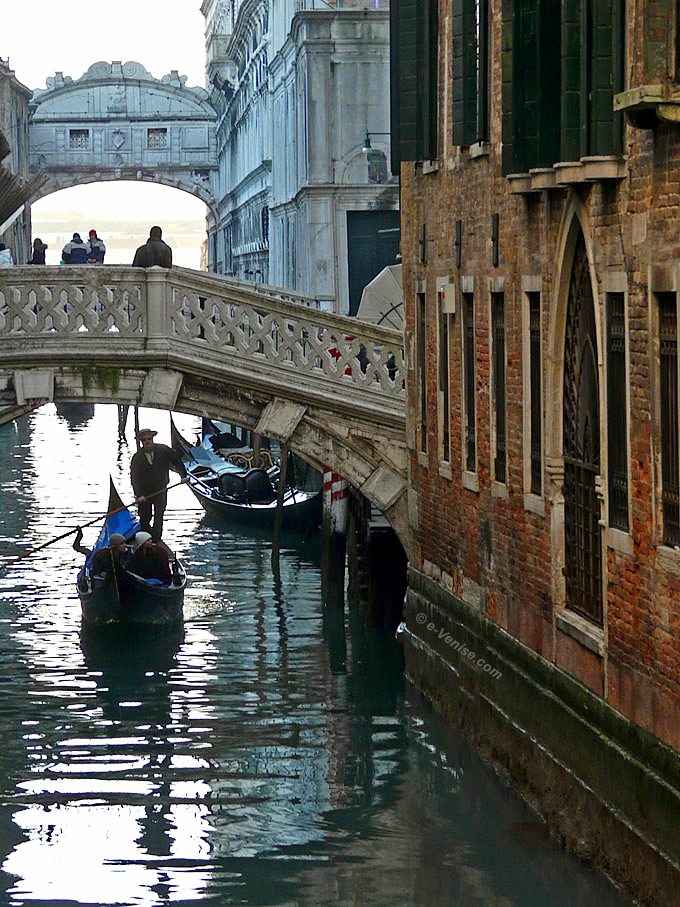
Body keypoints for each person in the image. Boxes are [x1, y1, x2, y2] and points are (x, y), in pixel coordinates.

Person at [130, 428, 187, 541]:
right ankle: (146, 538)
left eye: (149, 439)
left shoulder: (163, 450)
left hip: (161, 489)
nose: (147, 441)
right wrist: (138, 494)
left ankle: (156, 540)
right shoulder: (137, 457)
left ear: (152, 439)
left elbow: (177, 461)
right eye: (145, 439)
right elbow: (134, 477)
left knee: (159, 516)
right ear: (141, 441)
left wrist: (183, 475)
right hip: (145, 493)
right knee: (145, 517)